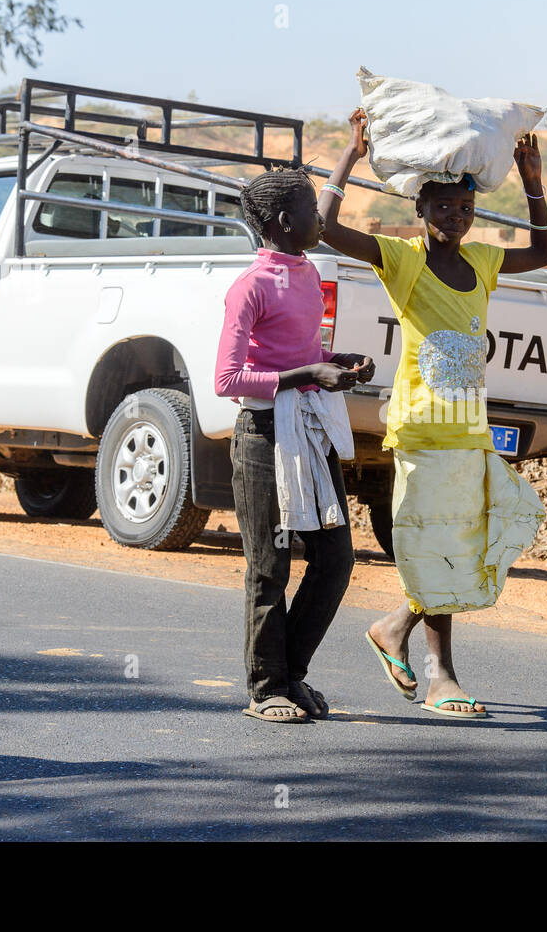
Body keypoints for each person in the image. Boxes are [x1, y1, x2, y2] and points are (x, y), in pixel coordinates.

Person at [318, 109, 547, 718]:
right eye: (444, 210)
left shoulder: (482, 263)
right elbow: (323, 227)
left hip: (469, 431)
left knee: (471, 536)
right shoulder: (401, 261)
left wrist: (532, 179)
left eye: (465, 210)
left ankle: (393, 627)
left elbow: (545, 251)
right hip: (421, 430)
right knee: (433, 545)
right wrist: (351, 154)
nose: (456, 219)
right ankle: (441, 674)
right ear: (421, 212)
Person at [216, 167, 376, 723]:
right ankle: (266, 688)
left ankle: (292, 673)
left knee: (335, 558)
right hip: (263, 436)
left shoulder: (307, 273)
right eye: (313, 212)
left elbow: (301, 354)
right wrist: (307, 372)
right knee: (270, 566)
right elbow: (228, 381)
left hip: (307, 429)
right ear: (287, 222)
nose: (321, 221)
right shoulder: (251, 286)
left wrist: (336, 366)